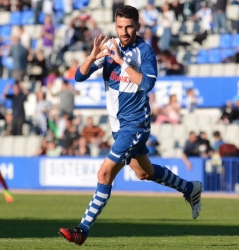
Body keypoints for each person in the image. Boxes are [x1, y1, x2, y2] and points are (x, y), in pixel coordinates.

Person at [58, 6, 202, 246]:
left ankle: (82, 229)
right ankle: (190, 188)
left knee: (104, 174)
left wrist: (121, 62)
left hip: (136, 125)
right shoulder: (109, 47)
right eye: (120, 27)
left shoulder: (144, 52)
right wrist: (93, 56)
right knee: (144, 172)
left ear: (137, 26)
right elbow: (79, 77)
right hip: (118, 126)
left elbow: (146, 84)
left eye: (129, 27)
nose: (124, 32)